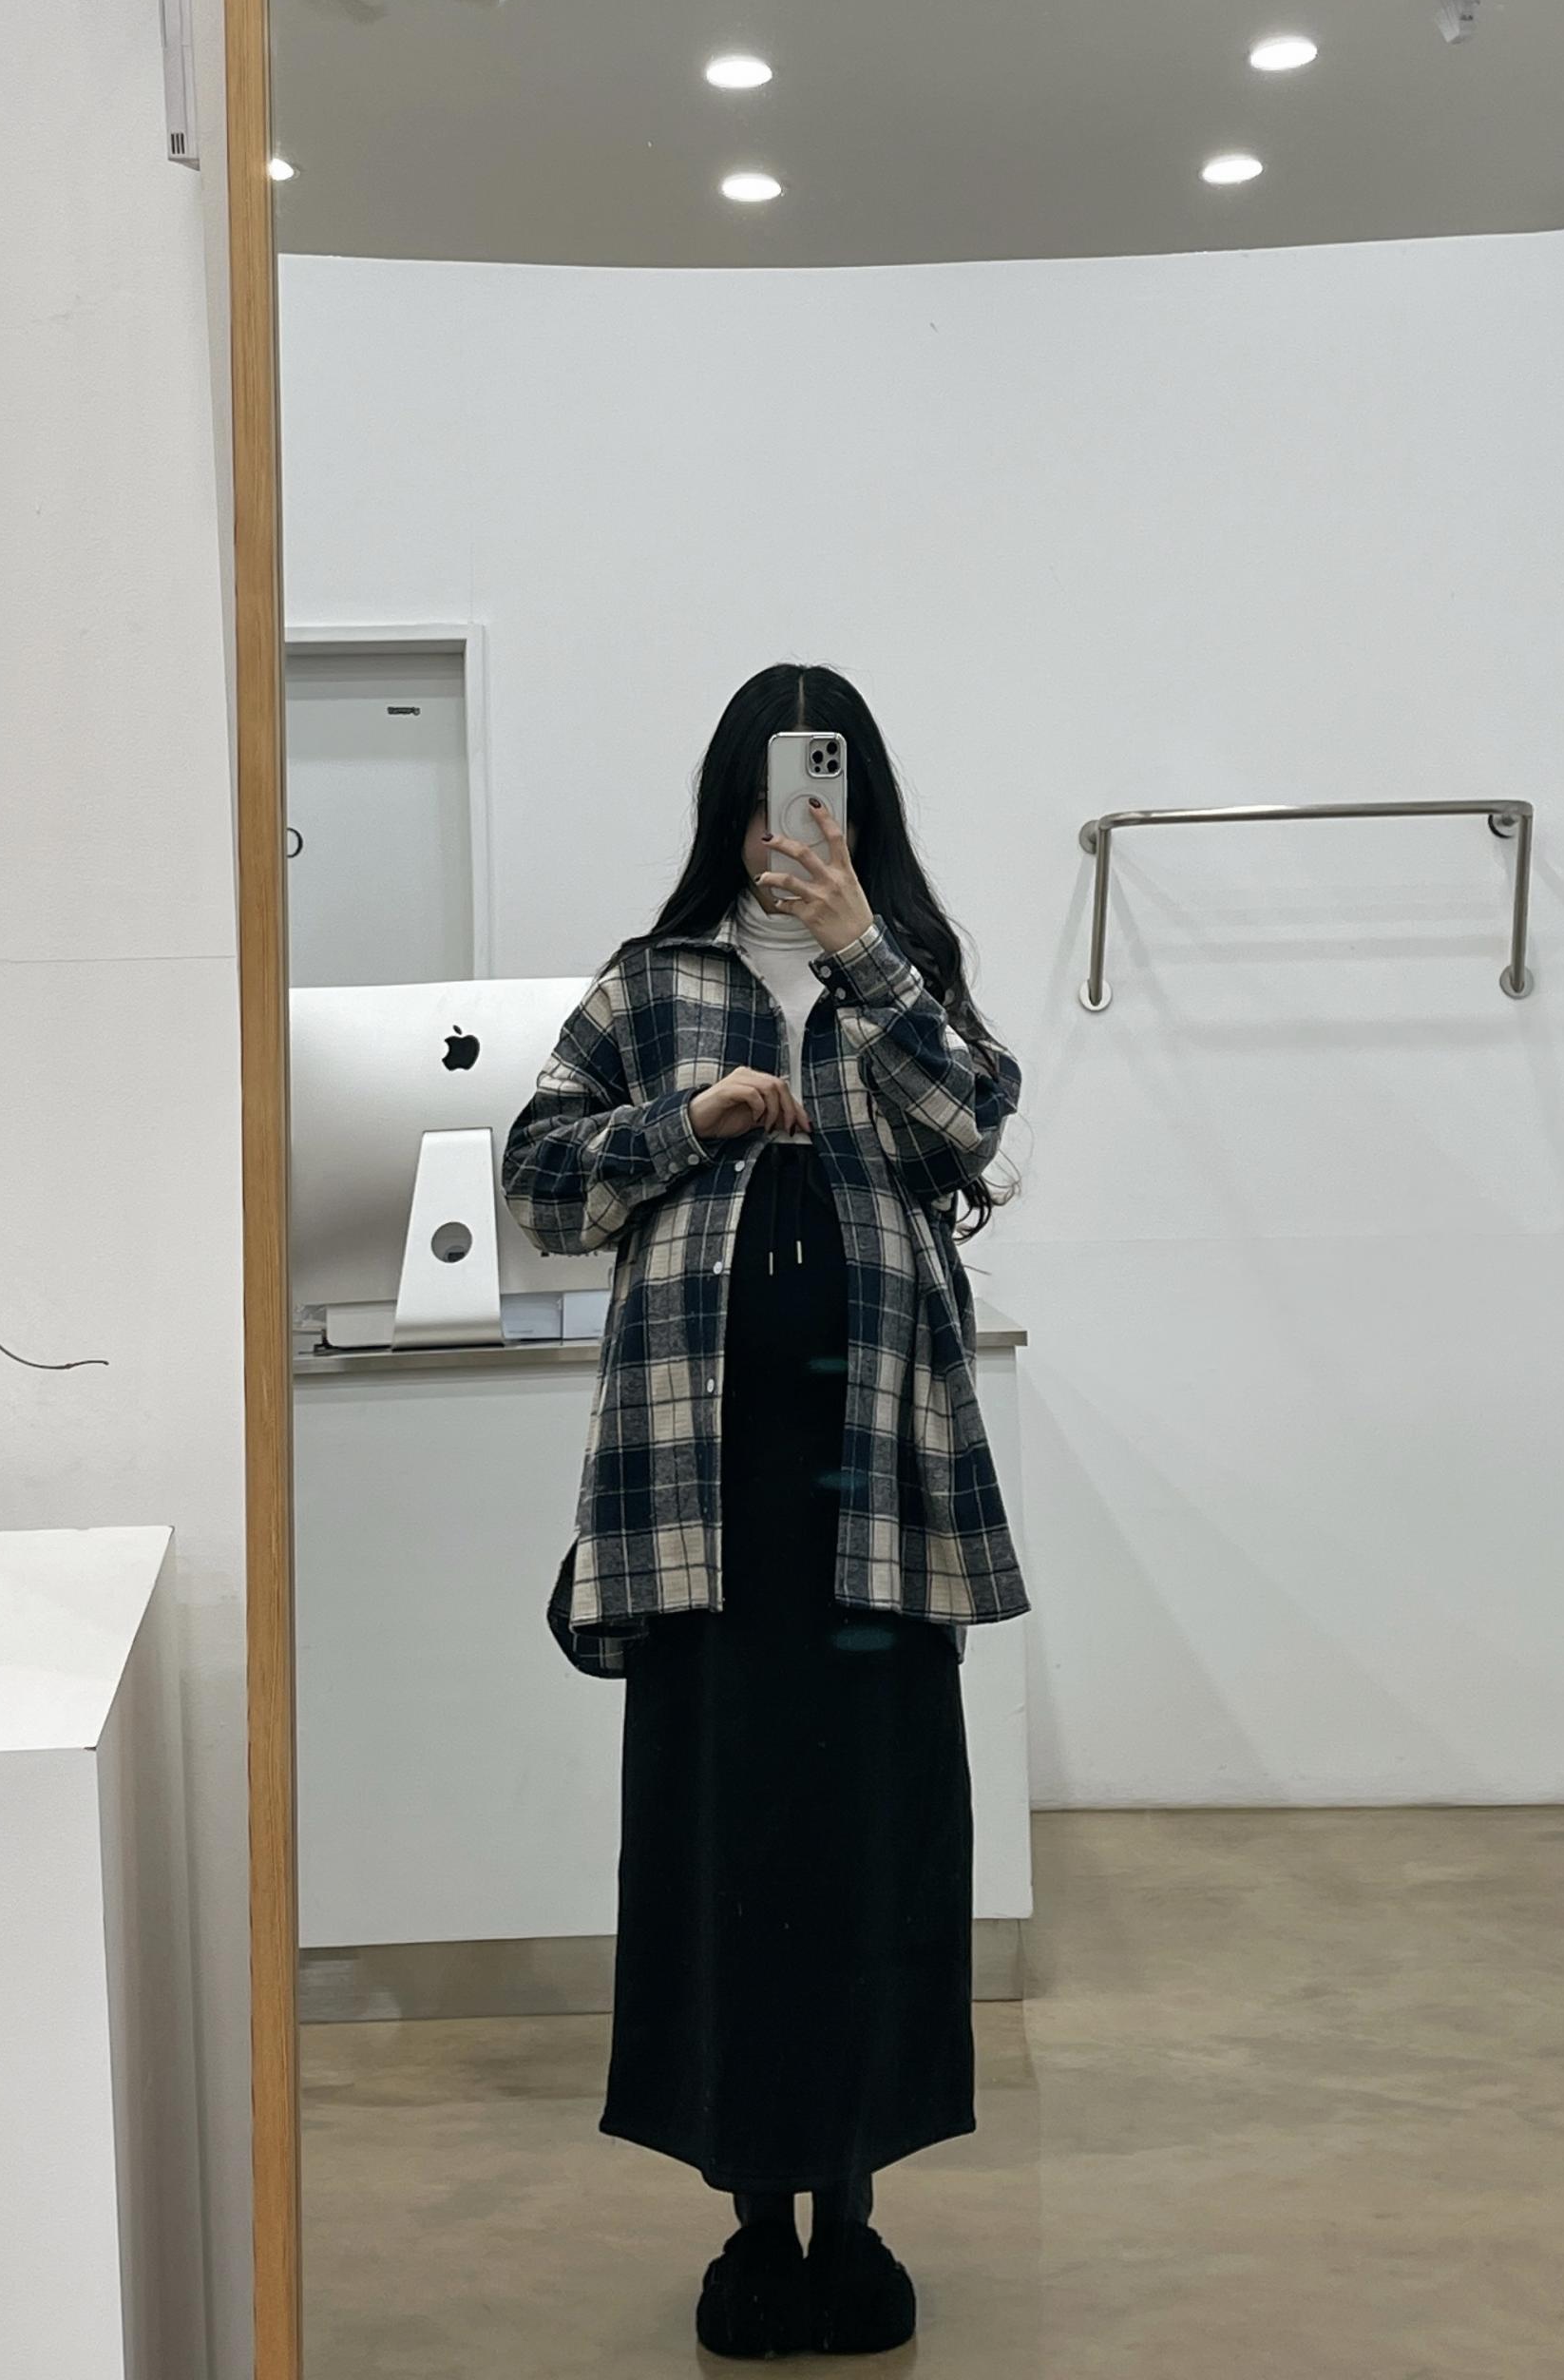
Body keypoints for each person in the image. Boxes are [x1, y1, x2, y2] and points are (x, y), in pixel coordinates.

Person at [501, 663, 1028, 2358]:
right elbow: (540, 1183)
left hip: (879, 1492)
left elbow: (969, 1129)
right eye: (770, 793)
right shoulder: (650, 981)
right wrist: (691, 1118)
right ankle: (750, 2222)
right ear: (730, 804)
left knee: (878, 1847)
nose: (792, 823)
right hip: (697, 1503)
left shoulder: (909, 974)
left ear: (861, 810)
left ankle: (855, 2212)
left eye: (823, 793)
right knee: (719, 1848)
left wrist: (865, 947)